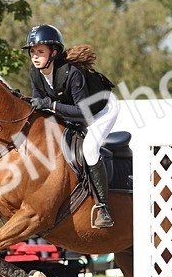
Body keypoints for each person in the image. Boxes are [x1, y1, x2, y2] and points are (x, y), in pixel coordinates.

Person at [23, 23, 119, 228]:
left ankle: (103, 207)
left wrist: (51, 105)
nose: (35, 56)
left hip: (101, 111)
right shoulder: (35, 73)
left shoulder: (71, 73)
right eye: (32, 52)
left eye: (40, 52)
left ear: (54, 52)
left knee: (90, 149)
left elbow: (83, 115)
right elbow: (41, 106)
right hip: (74, 111)